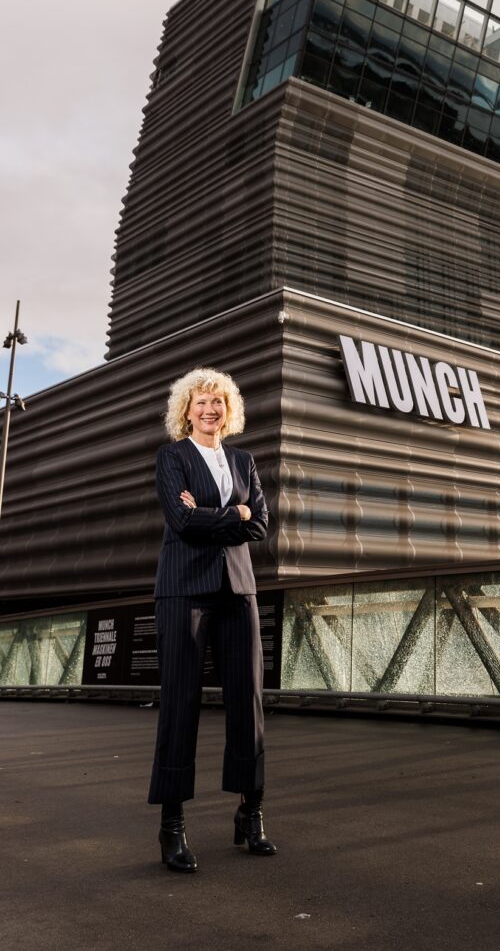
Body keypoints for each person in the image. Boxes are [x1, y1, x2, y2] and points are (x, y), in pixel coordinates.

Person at [147, 367, 276, 872]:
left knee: (248, 702)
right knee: (180, 704)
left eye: (218, 402)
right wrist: (236, 516)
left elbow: (261, 523)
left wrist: (222, 514)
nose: (209, 409)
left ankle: (252, 812)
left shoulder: (243, 460)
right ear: (186, 410)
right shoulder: (172, 456)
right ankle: (172, 826)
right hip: (184, 592)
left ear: (229, 410)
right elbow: (180, 521)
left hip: (237, 590)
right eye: (200, 402)